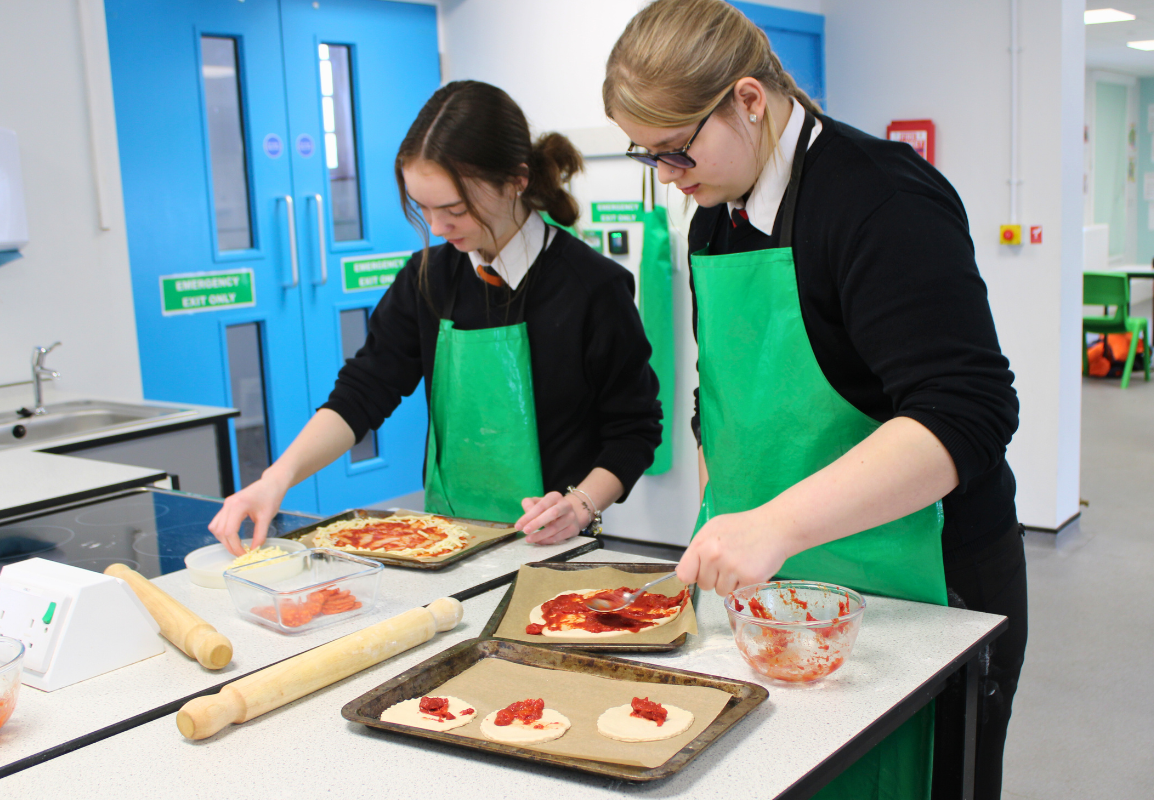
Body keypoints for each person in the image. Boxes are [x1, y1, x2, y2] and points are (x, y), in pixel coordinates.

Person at [604, 2, 1025, 800]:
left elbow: (966, 411)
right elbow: (720, 393)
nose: (668, 176)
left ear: (749, 101)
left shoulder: (881, 197)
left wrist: (775, 526)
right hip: (770, 598)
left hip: (920, 588)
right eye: (646, 156)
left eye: (674, 150)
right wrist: (721, 506)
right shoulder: (716, 216)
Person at [210, 80, 661, 554]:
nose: (438, 228)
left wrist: (581, 504)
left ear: (516, 181)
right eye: (422, 209)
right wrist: (276, 479)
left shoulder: (590, 286)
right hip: (446, 541)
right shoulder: (427, 278)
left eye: (455, 210)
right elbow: (363, 391)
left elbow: (635, 430)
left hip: (555, 547)